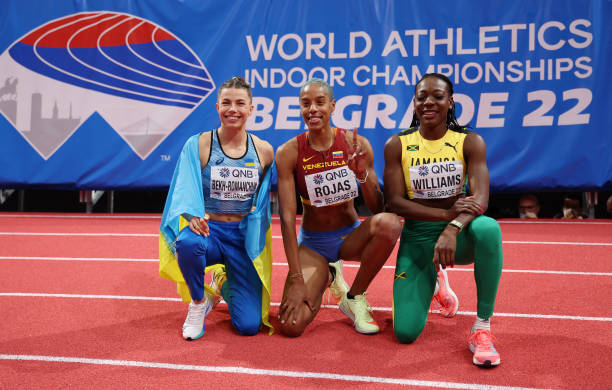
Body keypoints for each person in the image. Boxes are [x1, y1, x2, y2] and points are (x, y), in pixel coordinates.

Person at [383, 73, 503, 367]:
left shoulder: (469, 142)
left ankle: (482, 328)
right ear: (414, 103)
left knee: (488, 228)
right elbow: (395, 203)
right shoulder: (397, 145)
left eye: (437, 96)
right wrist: (446, 215)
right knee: (406, 333)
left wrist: (453, 226)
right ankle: (435, 281)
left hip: (459, 237)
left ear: (450, 102)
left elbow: (481, 199)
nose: (428, 102)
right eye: (421, 97)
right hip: (419, 239)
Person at [275, 78, 402, 337]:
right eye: (305, 103)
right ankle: (327, 275)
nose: (312, 109)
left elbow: (378, 208)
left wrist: (362, 175)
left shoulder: (355, 144)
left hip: (349, 237)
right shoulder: (288, 152)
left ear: (332, 106)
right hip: (313, 245)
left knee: (389, 223)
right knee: (290, 325)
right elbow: (287, 219)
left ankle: (354, 296)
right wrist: (299, 279)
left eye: (320, 102)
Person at [158, 76, 275, 341]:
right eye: (226, 103)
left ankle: (221, 280)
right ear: (217, 106)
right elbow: (182, 188)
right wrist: (191, 215)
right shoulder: (199, 145)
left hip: (242, 238)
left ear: (251, 109)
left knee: (248, 326)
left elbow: (264, 203)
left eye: (240, 103)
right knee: (187, 243)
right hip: (209, 232)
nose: (232, 109)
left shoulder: (265, 152)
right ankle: (199, 302)